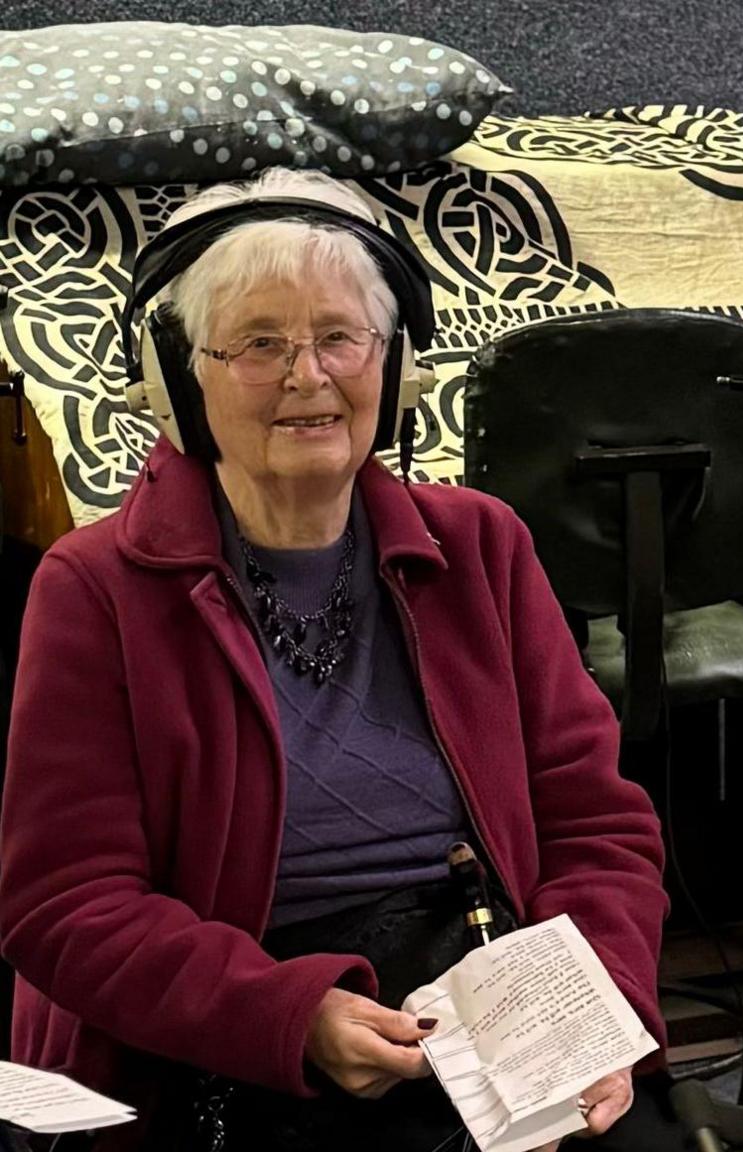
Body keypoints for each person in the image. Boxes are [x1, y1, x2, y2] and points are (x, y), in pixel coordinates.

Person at [0, 169, 669, 1151]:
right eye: (260, 344)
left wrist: (594, 1009)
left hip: (489, 988)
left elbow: (595, 824)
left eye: (339, 337)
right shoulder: (95, 586)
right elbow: (65, 903)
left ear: (393, 366)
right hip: (230, 1023)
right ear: (182, 378)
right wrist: (288, 1017)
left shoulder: (482, 545)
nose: (307, 376)